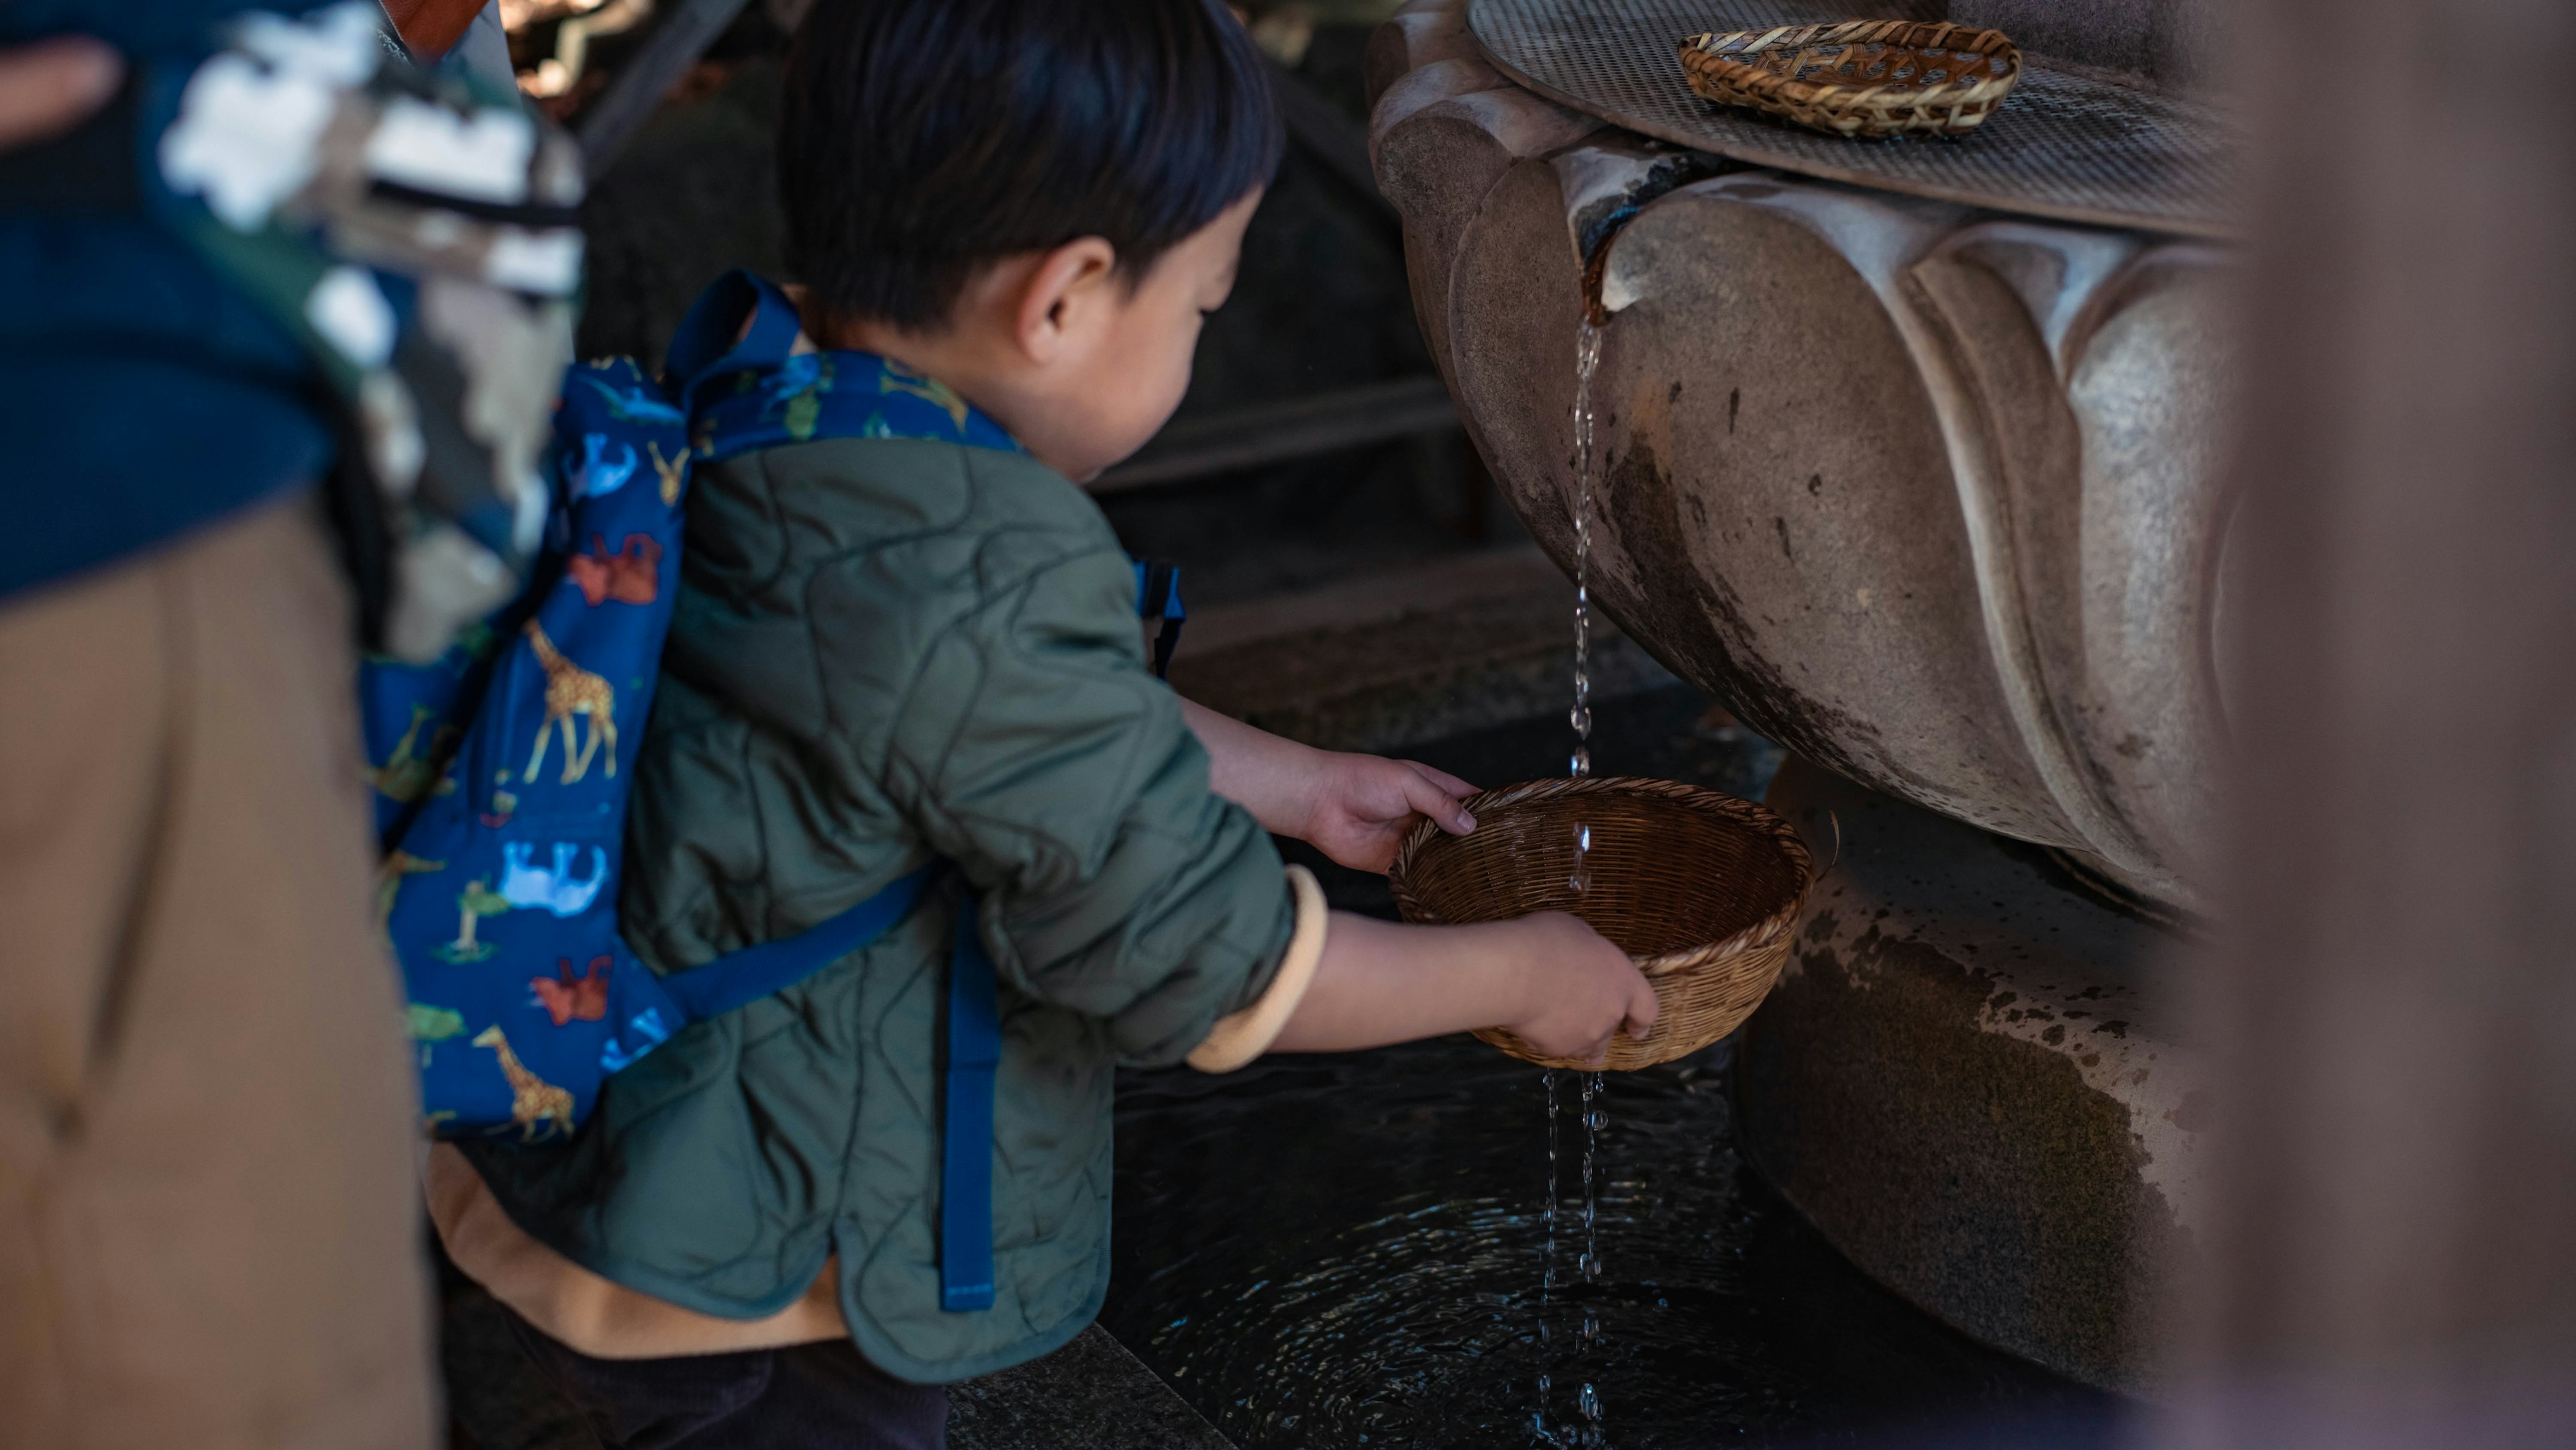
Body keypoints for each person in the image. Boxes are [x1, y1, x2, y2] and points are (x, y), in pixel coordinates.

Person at [427, 0, 1659, 1444]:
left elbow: (991, 729)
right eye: (1197, 304)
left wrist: (1300, 787)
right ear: (1065, 297)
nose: (1196, 336)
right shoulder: (990, 568)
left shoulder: (773, 400)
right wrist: (1518, 973)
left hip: (606, 1147)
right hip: (764, 1263)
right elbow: (1208, 965)